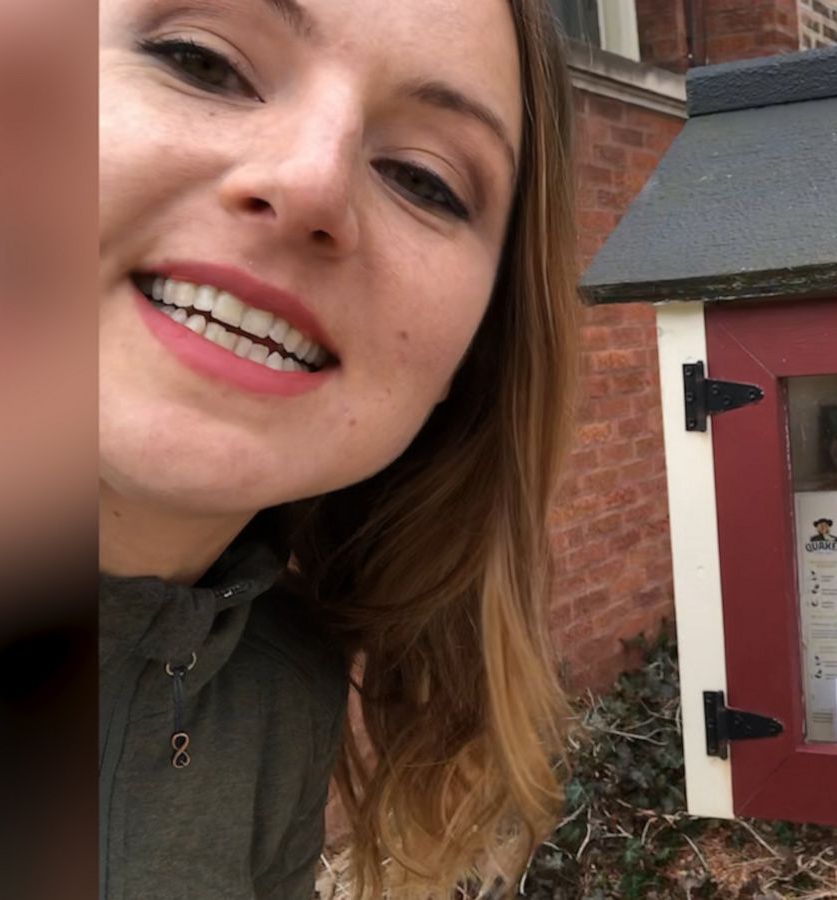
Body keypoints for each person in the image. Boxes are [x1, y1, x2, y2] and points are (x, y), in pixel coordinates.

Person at [98, 1, 579, 897]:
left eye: (424, 178)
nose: (311, 183)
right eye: (201, 61)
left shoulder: (277, 700)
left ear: (474, 352)